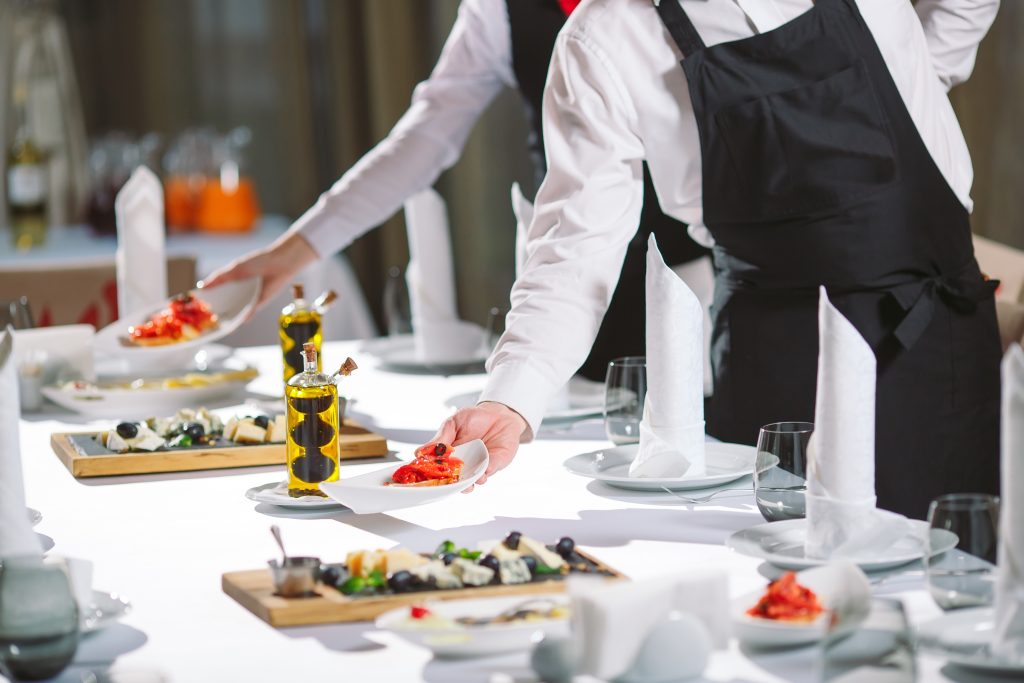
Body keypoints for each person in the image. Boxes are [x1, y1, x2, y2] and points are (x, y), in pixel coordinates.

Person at [434, 0, 1003, 520]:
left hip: (933, 344)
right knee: (785, 587)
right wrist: (510, 399)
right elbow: (573, 245)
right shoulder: (602, 37)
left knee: (953, 579)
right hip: (777, 361)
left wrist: (921, 80)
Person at [202, 0, 708, 381]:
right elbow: (423, 139)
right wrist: (292, 252)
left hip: (691, 273)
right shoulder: (495, 9)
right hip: (564, 278)